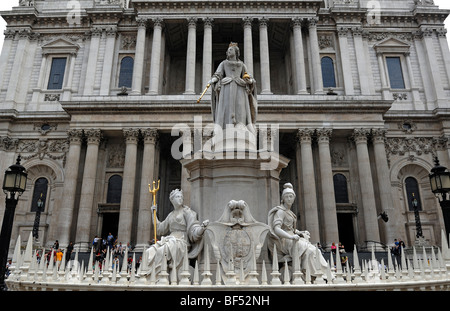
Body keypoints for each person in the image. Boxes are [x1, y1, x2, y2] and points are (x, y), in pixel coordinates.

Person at [268, 183, 328, 277]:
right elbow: (276, 229)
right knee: (311, 251)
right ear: (283, 198)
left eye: (291, 196)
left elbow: (291, 228)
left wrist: (300, 232)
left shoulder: (290, 212)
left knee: (315, 250)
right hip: (284, 241)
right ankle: (313, 274)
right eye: (287, 196)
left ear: (294, 198)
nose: (289, 199)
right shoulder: (280, 211)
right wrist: (291, 236)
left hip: (292, 238)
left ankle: (319, 274)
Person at [145, 189, 209, 276]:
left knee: (161, 251)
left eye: (181, 197)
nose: (180, 199)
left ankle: (158, 275)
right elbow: (160, 229)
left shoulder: (187, 212)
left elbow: (194, 228)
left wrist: (202, 229)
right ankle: (149, 276)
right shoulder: (171, 215)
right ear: (172, 200)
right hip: (170, 240)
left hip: (181, 241)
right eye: (178, 197)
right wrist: (153, 214)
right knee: (149, 251)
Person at [208, 42, 257, 134]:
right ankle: (225, 126)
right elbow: (218, 74)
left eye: (230, 50)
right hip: (226, 85)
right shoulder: (223, 63)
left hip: (240, 86)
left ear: (236, 52)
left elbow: (248, 76)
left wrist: (250, 81)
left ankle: (241, 124)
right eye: (227, 50)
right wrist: (213, 79)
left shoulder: (242, 64)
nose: (228, 52)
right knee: (225, 106)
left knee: (240, 106)